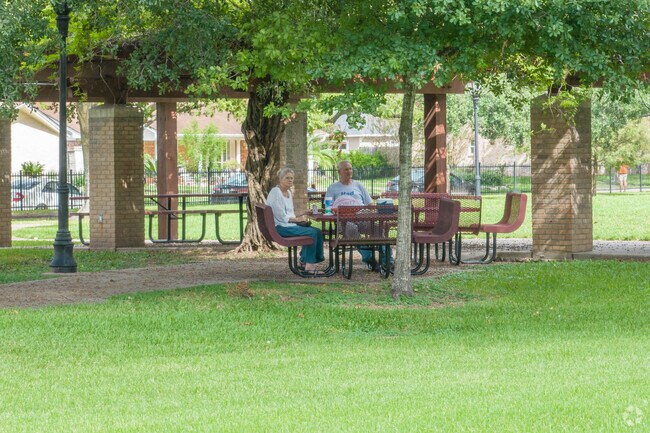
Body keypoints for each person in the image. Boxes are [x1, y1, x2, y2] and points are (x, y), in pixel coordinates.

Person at [326, 160, 387, 270]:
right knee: (351, 229)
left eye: (350, 169)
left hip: (361, 216)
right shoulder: (333, 188)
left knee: (379, 229)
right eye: (346, 169)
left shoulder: (358, 185)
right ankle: (370, 260)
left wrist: (374, 213)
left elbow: (370, 204)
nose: (349, 171)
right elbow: (328, 208)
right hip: (343, 221)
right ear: (339, 172)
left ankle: (387, 262)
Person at [266, 167, 325, 273]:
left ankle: (303, 261)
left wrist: (304, 212)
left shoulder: (288, 192)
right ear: (280, 179)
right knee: (312, 233)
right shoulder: (276, 193)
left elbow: (290, 213)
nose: (290, 180)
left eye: (292, 178)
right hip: (280, 227)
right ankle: (310, 267)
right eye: (287, 178)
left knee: (317, 231)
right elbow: (282, 217)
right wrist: (299, 221)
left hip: (287, 225)